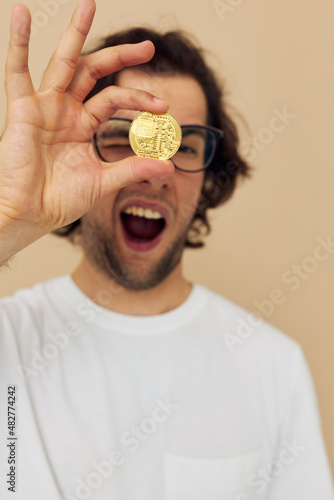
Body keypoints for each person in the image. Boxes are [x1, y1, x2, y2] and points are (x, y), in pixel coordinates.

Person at [0, 0, 333, 499]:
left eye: (184, 145)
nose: (153, 170)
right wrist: (10, 216)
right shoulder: (9, 339)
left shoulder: (272, 366)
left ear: (210, 179)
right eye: (122, 138)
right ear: (78, 152)